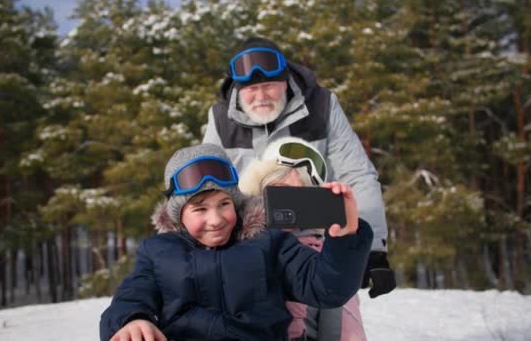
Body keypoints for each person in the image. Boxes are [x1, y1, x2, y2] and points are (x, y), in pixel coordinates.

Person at [99, 143, 372, 341]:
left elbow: (326, 287)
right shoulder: (158, 252)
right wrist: (131, 320)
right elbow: (132, 295)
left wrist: (345, 237)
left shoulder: (268, 242)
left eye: (224, 204)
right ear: (179, 215)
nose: (216, 219)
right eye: (200, 209)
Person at [203, 36, 396, 300]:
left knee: (337, 328)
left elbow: (357, 174)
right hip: (246, 245)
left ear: (284, 80)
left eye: (269, 85)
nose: (261, 97)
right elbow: (207, 186)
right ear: (237, 88)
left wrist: (373, 250)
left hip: (317, 244)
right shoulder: (220, 119)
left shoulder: (322, 106)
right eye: (251, 89)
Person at [239, 137, 367, 341]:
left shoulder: (326, 258)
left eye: (299, 195)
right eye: (278, 191)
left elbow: (347, 330)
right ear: (257, 190)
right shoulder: (230, 241)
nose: (288, 205)